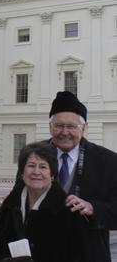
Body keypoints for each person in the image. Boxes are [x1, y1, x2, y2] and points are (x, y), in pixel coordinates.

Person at [49, 90, 117, 262]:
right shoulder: (33, 156)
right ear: (50, 127)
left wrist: (93, 208)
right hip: (43, 251)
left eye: (71, 126)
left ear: (84, 128)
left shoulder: (108, 161)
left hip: (88, 253)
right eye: (58, 125)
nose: (64, 132)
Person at [0, 142, 84, 262]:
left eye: (43, 167)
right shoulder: (9, 205)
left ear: (52, 174)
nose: (36, 172)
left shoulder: (67, 210)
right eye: (31, 165)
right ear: (22, 172)